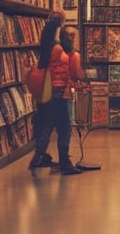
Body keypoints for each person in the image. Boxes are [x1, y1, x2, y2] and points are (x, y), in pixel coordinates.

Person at [28, 20, 84, 175]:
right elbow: (63, 73)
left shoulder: (49, 48)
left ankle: (39, 157)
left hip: (50, 93)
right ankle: (64, 163)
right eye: (71, 36)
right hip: (58, 94)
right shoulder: (59, 50)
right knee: (64, 128)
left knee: (47, 125)